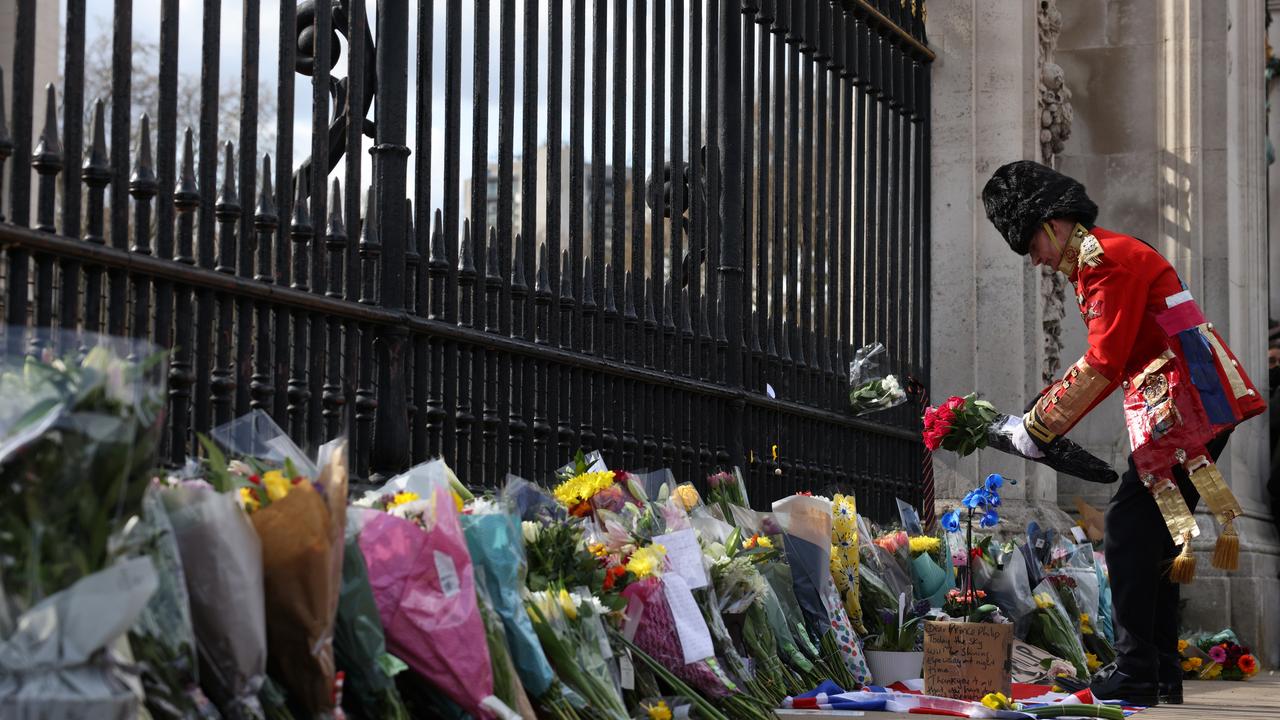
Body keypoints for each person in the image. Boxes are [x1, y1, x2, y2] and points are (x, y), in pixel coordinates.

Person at [981, 161, 1265, 706]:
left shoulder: (1105, 261)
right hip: (1185, 402)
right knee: (1152, 536)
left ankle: (1136, 670)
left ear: (1051, 224)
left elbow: (1104, 362)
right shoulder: (1105, 255)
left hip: (1181, 406)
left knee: (1125, 530)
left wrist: (1036, 427)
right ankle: (1158, 670)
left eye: (1031, 245)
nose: (1035, 259)